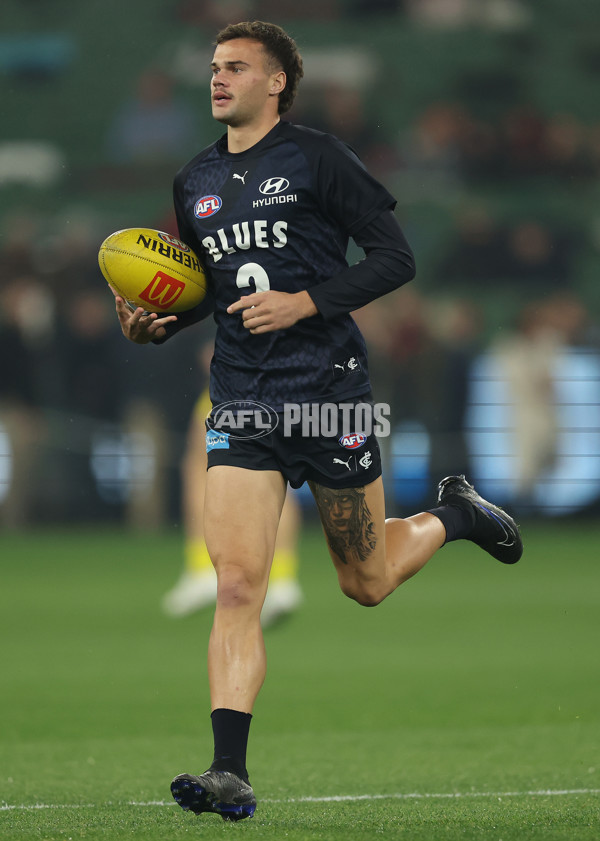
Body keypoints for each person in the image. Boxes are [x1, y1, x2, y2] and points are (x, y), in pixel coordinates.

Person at [111, 21, 523, 822]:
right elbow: (210, 290)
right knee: (236, 583)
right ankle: (228, 769)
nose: (219, 78)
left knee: (363, 581)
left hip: (328, 392)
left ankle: (457, 514)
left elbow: (394, 256)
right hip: (242, 401)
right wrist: (159, 323)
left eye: (237, 67)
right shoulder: (194, 177)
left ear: (277, 84)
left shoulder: (320, 158)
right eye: (214, 66)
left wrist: (307, 300)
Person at [162, 373, 304, 626]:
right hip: (292, 380)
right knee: (279, 471)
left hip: (244, 374)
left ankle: (202, 567)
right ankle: (283, 580)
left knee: (199, 461)